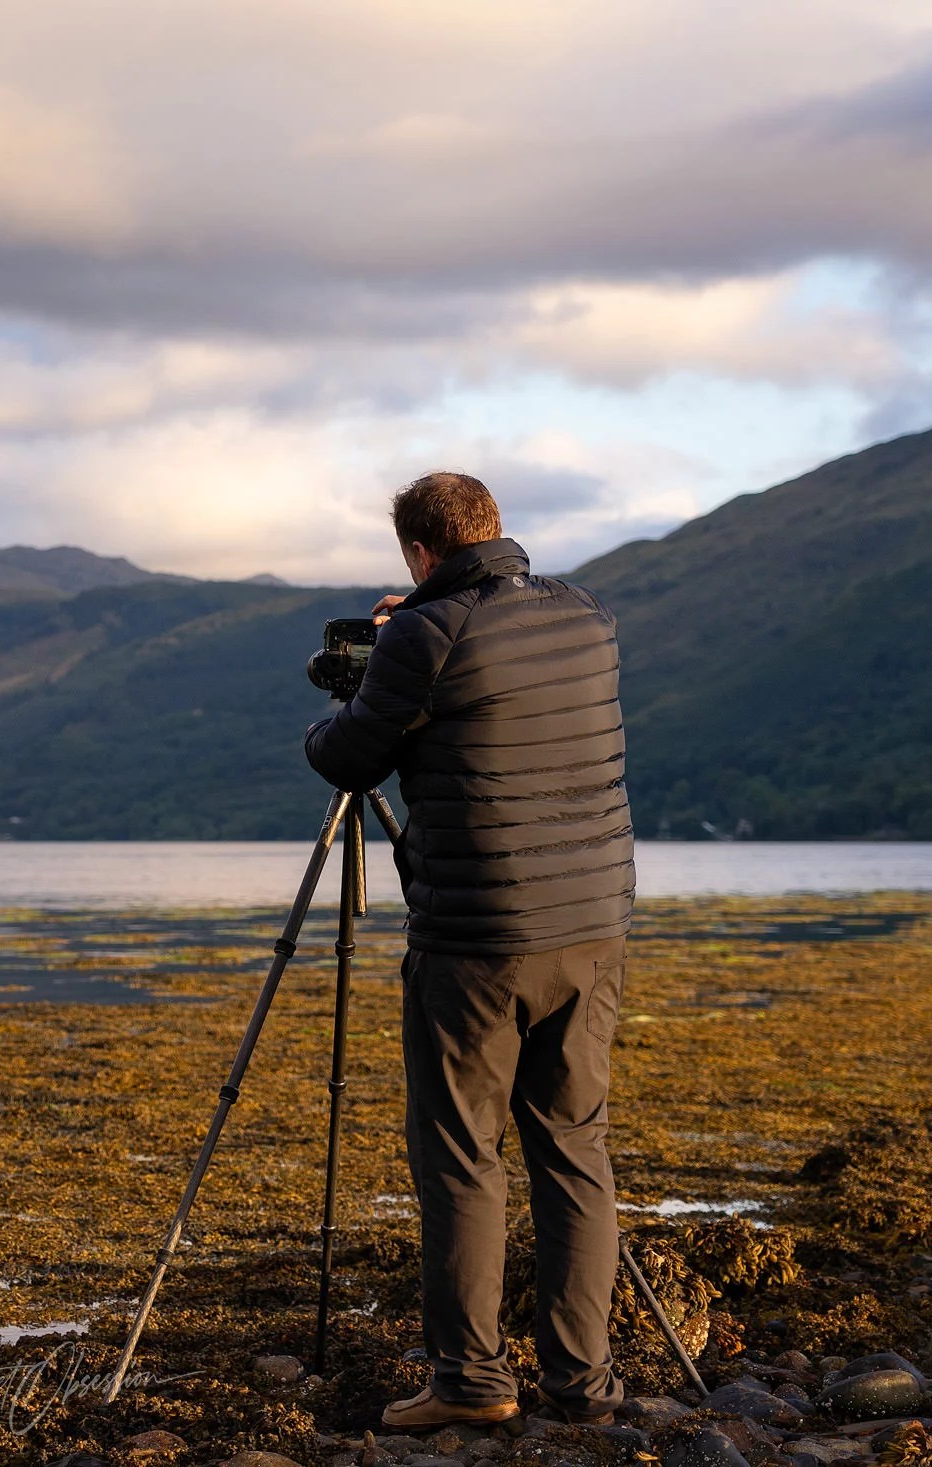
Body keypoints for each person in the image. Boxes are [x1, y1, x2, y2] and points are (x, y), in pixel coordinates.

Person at [304, 472, 635, 1430]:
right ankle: (584, 1387)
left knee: (460, 1155)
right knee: (574, 1149)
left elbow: (350, 754)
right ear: (493, 528)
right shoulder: (587, 616)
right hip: (591, 926)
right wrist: (422, 621)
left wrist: (369, 674)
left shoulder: (423, 634)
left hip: (478, 939)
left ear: (417, 551)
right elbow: (496, 667)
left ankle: (472, 1383)